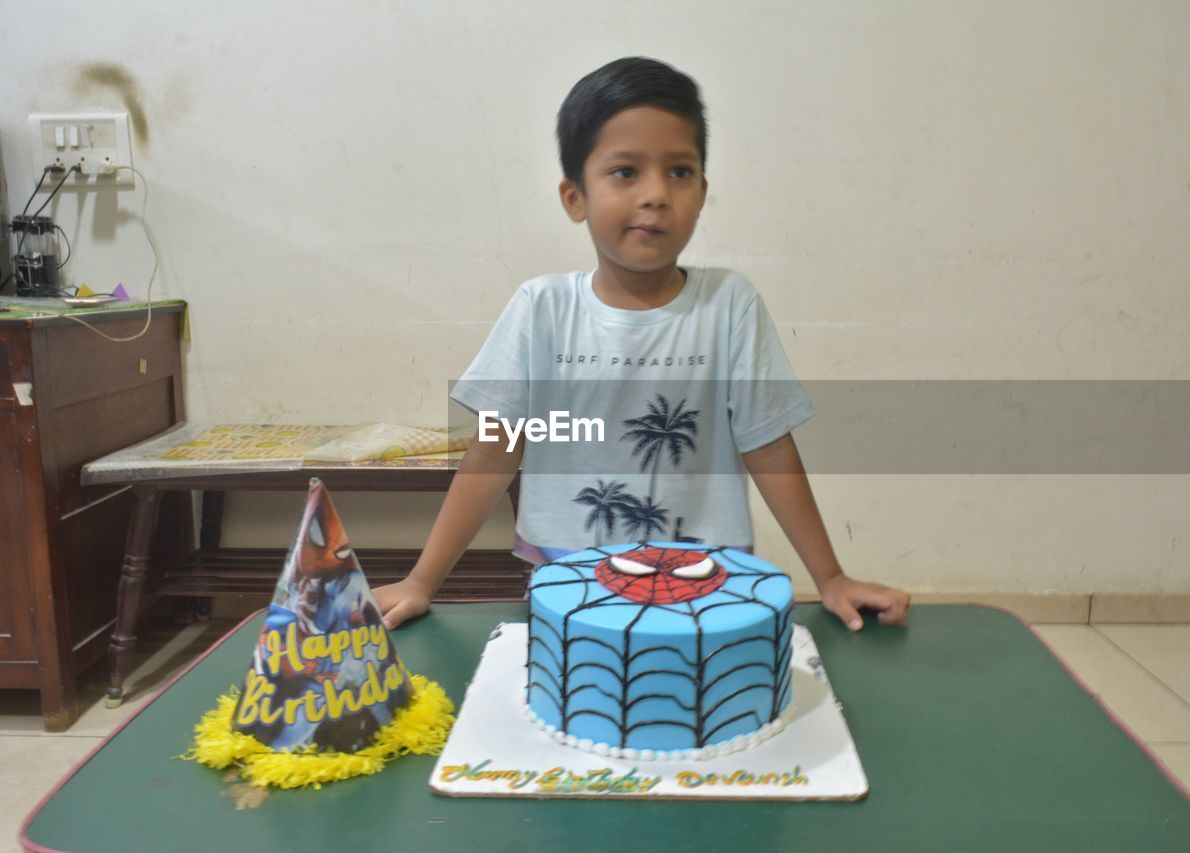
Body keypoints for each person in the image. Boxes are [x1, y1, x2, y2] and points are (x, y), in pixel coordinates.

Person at [373, 57, 909, 632]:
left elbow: (769, 447)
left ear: (703, 192)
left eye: (679, 172)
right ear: (575, 197)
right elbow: (494, 452)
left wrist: (830, 578)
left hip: (705, 583)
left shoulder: (730, 305)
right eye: (626, 171)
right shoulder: (541, 309)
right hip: (568, 585)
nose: (656, 194)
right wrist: (420, 581)